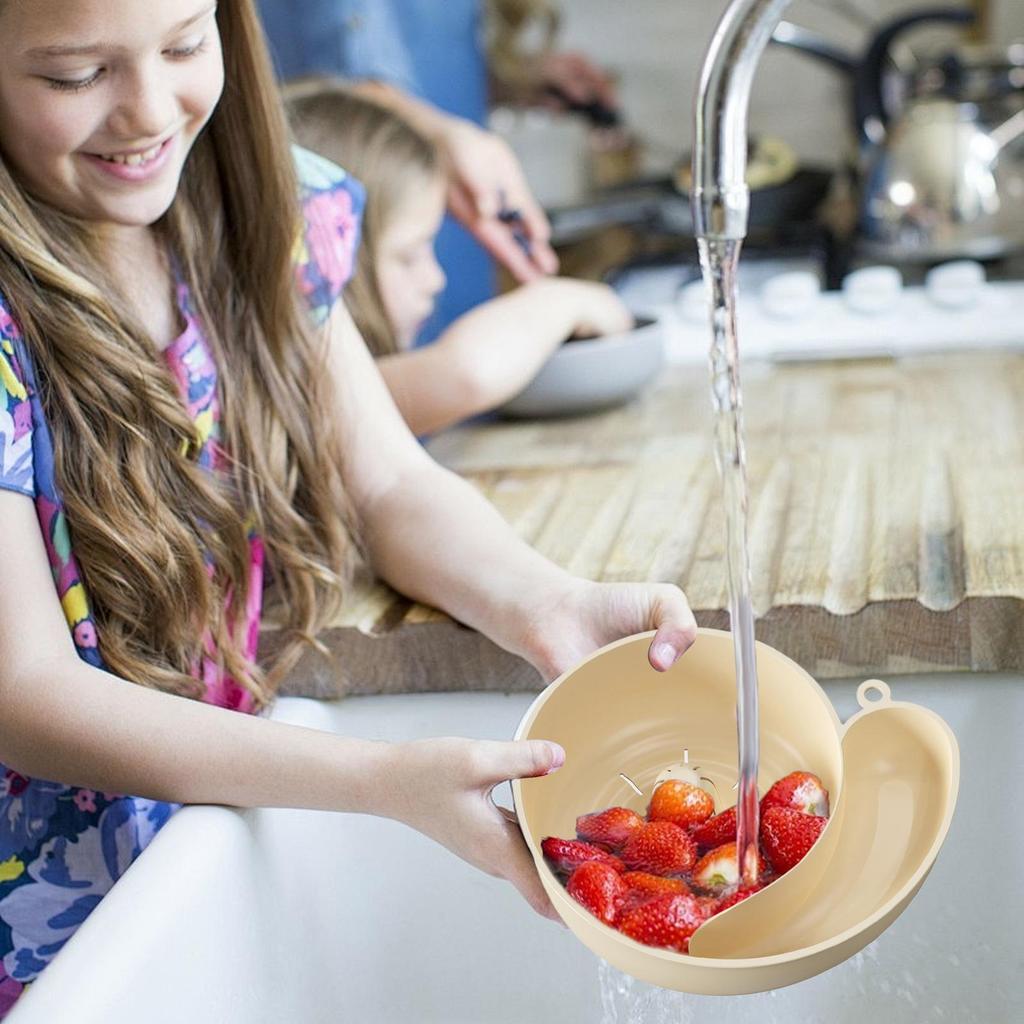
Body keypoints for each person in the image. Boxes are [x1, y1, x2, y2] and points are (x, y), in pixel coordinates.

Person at [0, 1, 696, 1016]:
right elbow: (26, 692)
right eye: (72, 75)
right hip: (48, 931)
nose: (149, 109)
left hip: (203, 822)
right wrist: (379, 780)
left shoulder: (258, 208)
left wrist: (547, 600)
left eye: (187, 45)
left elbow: (386, 483)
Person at [286, 81, 635, 436]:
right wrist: (562, 300)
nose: (435, 279)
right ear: (324, 258)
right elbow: (463, 374)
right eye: (409, 256)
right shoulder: (303, 399)